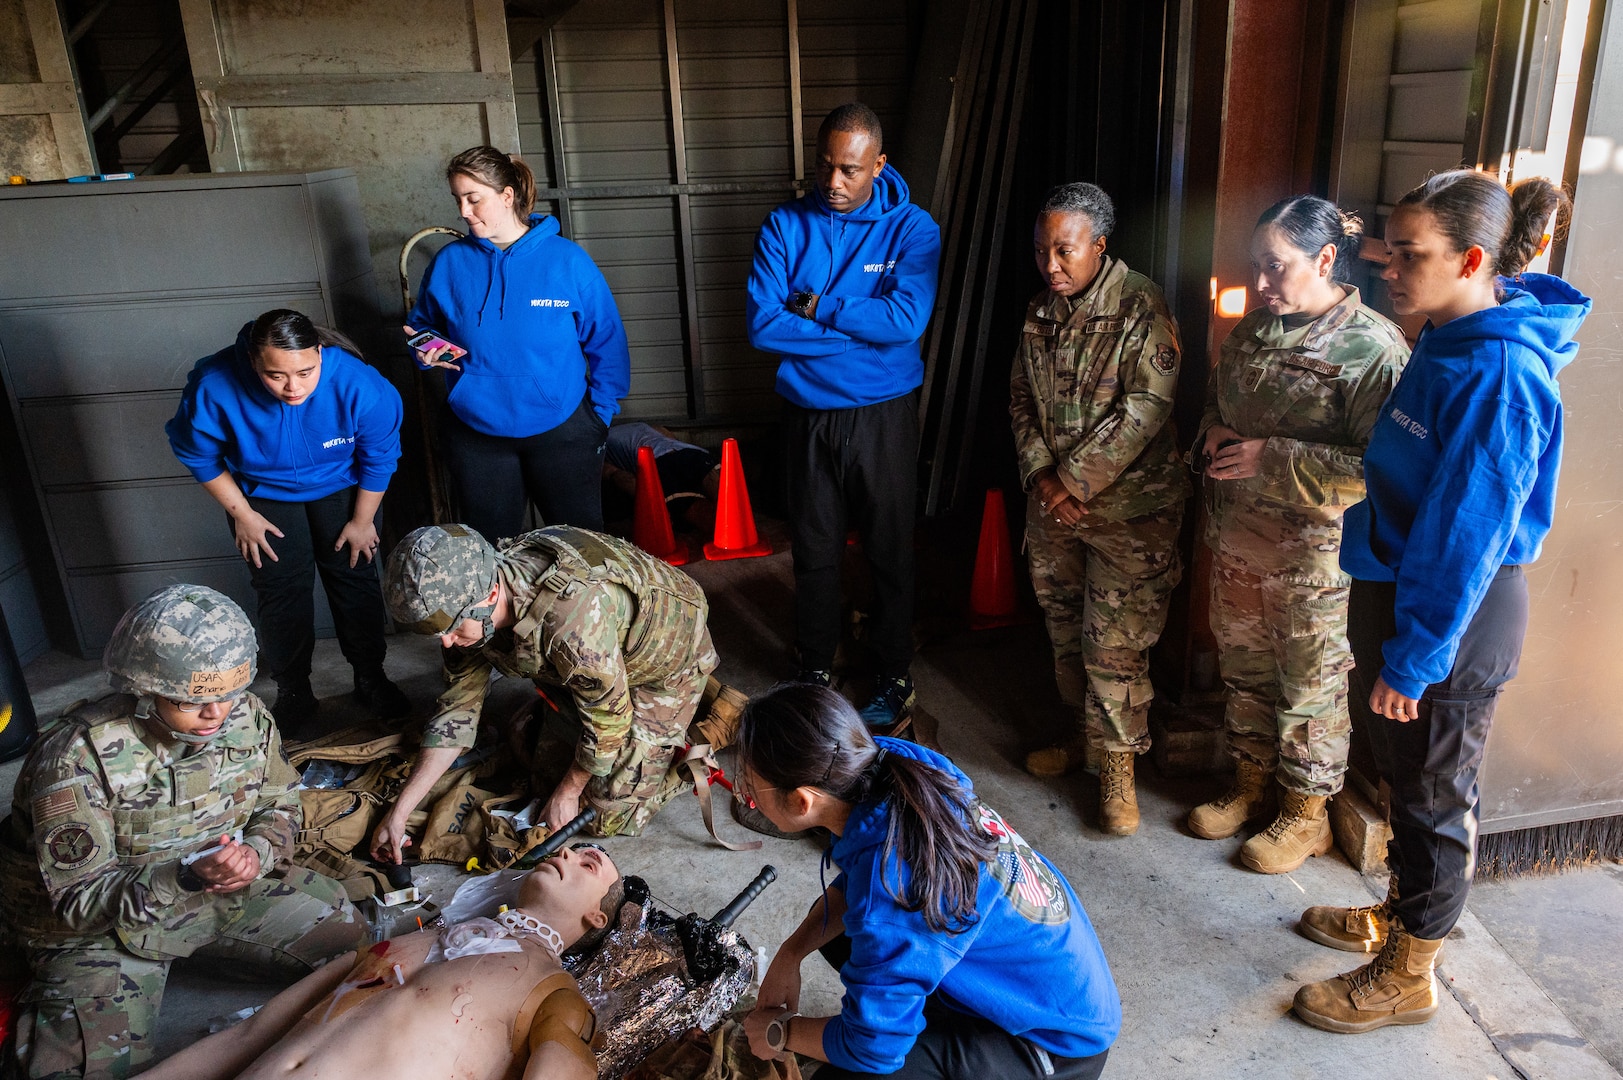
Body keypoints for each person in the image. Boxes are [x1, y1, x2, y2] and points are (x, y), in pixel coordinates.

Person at [1290, 171, 1589, 1033]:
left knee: (1433, 799)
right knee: (1404, 780)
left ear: (1468, 261)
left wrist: (1416, 657)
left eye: (1407, 255)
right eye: (1386, 250)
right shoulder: (1445, 335)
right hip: (1404, 592)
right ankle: (1397, 916)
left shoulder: (1499, 372)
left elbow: (1467, 537)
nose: (1386, 269)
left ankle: (1410, 973)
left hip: (1453, 616)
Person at [0, 585, 368, 1080]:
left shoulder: (247, 717)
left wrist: (255, 855)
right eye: (191, 701)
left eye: (228, 694)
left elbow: (280, 805)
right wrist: (186, 878)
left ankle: (181, 956)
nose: (216, 714)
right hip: (102, 931)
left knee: (352, 942)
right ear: (144, 689)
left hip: (214, 894)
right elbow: (78, 901)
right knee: (81, 1069)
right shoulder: (76, 757)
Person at [737, 683, 1119, 1080]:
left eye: (752, 788)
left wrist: (781, 1032)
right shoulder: (889, 763)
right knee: (839, 935)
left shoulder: (897, 886)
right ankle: (920, 1016)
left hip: (1053, 1043)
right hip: (1041, 983)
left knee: (847, 1074)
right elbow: (860, 883)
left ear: (802, 801)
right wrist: (791, 953)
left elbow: (870, 1049)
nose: (748, 796)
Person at [1187, 196, 1409, 873]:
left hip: (1314, 561)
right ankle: (1250, 785)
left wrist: (1271, 457)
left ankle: (1305, 815)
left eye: (1275, 266)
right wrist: (1212, 435)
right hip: (1238, 545)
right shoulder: (1254, 330)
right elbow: (1214, 404)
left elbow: (1381, 471)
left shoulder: (1372, 348)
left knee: (1310, 690)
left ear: (1324, 258)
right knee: (1246, 673)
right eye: (1255, 266)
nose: (1261, 282)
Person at [745, 102, 942, 729]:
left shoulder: (913, 230)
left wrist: (814, 306)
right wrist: (860, 335)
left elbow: (905, 321)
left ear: (879, 165)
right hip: (808, 414)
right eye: (825, 165)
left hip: (883, 415)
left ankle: (892, 674)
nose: (833, 181)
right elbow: (762, 325)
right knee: (815, 548)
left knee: (889, 549)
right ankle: (815, 667)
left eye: (850, 170)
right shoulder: (785, 225)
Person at [1009, 182, 1190, 836]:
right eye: (1042, 250)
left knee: (1114, 643)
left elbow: (1146, 407)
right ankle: (1083, 739)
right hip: (1053, 510)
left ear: (1100, 245)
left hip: (1128, 516)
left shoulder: (1141, 306)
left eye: (1064, 250)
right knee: (1064, 629)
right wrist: (1041, 476)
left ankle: (1117, 767)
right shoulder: (1040, 312)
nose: (1050, 264)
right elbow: (1021, 399)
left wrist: (1071, 481)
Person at [373, 523, 717, 857]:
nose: (448, 642)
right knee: (543, 785)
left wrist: (570, 792)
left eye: (453, 628)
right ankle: (577, 708)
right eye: (439, 634)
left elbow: (610, 719)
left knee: (600, 816)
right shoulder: (470, 607)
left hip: (667, 666)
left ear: (490, 596)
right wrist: (399, 812)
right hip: (599, 665)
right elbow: (455, 717)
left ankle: (695, 748)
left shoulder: (571, 621)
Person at [138, 844, 624, 1080]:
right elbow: (249, 1035)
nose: (566, 850)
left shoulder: (554, 991)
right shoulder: (410, 943)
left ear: (596, 917)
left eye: (589, 863)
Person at [166, 309, 408, 733]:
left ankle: (371, 676)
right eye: (275, 375)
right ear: (253, 362)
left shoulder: (359, 383)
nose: (293, 387)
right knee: (281, 592)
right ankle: (294, 690)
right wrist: (243, 515)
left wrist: (363, 520)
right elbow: (198, 454)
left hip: (344, 489)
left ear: (320, 354)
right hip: (262, 498)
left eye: (305, 373)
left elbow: (380, 456)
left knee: (355, 580)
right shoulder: (215, 384)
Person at [405, 145, 631, 538]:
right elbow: (421, 326)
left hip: (562, 427)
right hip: (474, 430)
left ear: (507, 196)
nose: (463, 211)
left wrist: (600, 414)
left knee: (579, 546)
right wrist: (426, 350)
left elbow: (607, 340)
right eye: (458, 199)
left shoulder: (567, 261)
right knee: (488, 550)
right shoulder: (449, 263)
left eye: (473, 198)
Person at [603, 421, 720, 533]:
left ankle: (716, 533)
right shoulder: (641, 426)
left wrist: (651, 500)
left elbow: (620, 476)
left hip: (660, 462)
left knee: (690, 508)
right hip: (694, 453)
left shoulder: (601, 442)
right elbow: (664, 432)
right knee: (722, 492)